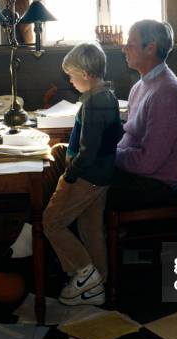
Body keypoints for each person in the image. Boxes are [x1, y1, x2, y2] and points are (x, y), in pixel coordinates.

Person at [43, 42, 123, 306]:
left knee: (51, 221)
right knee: (90, 228)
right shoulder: (107, 96)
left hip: (86, 177)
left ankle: (85, 272)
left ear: (85, 74)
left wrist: (69, 176)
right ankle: (100, 283)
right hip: (102, 178)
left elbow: (88, 152)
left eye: (71, 74)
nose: (70, 79)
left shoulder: (93, 103)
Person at [107, 20, 177, 210]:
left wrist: (110, 156)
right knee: (65, 160)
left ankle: (43, 235)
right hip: (136, 174)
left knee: (78, 184)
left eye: (130, 43)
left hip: (154, 185)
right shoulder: (140, 86)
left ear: (150, 48)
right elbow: (130, 140)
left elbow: (148, 163)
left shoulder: (167, 92)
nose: (124, 48)